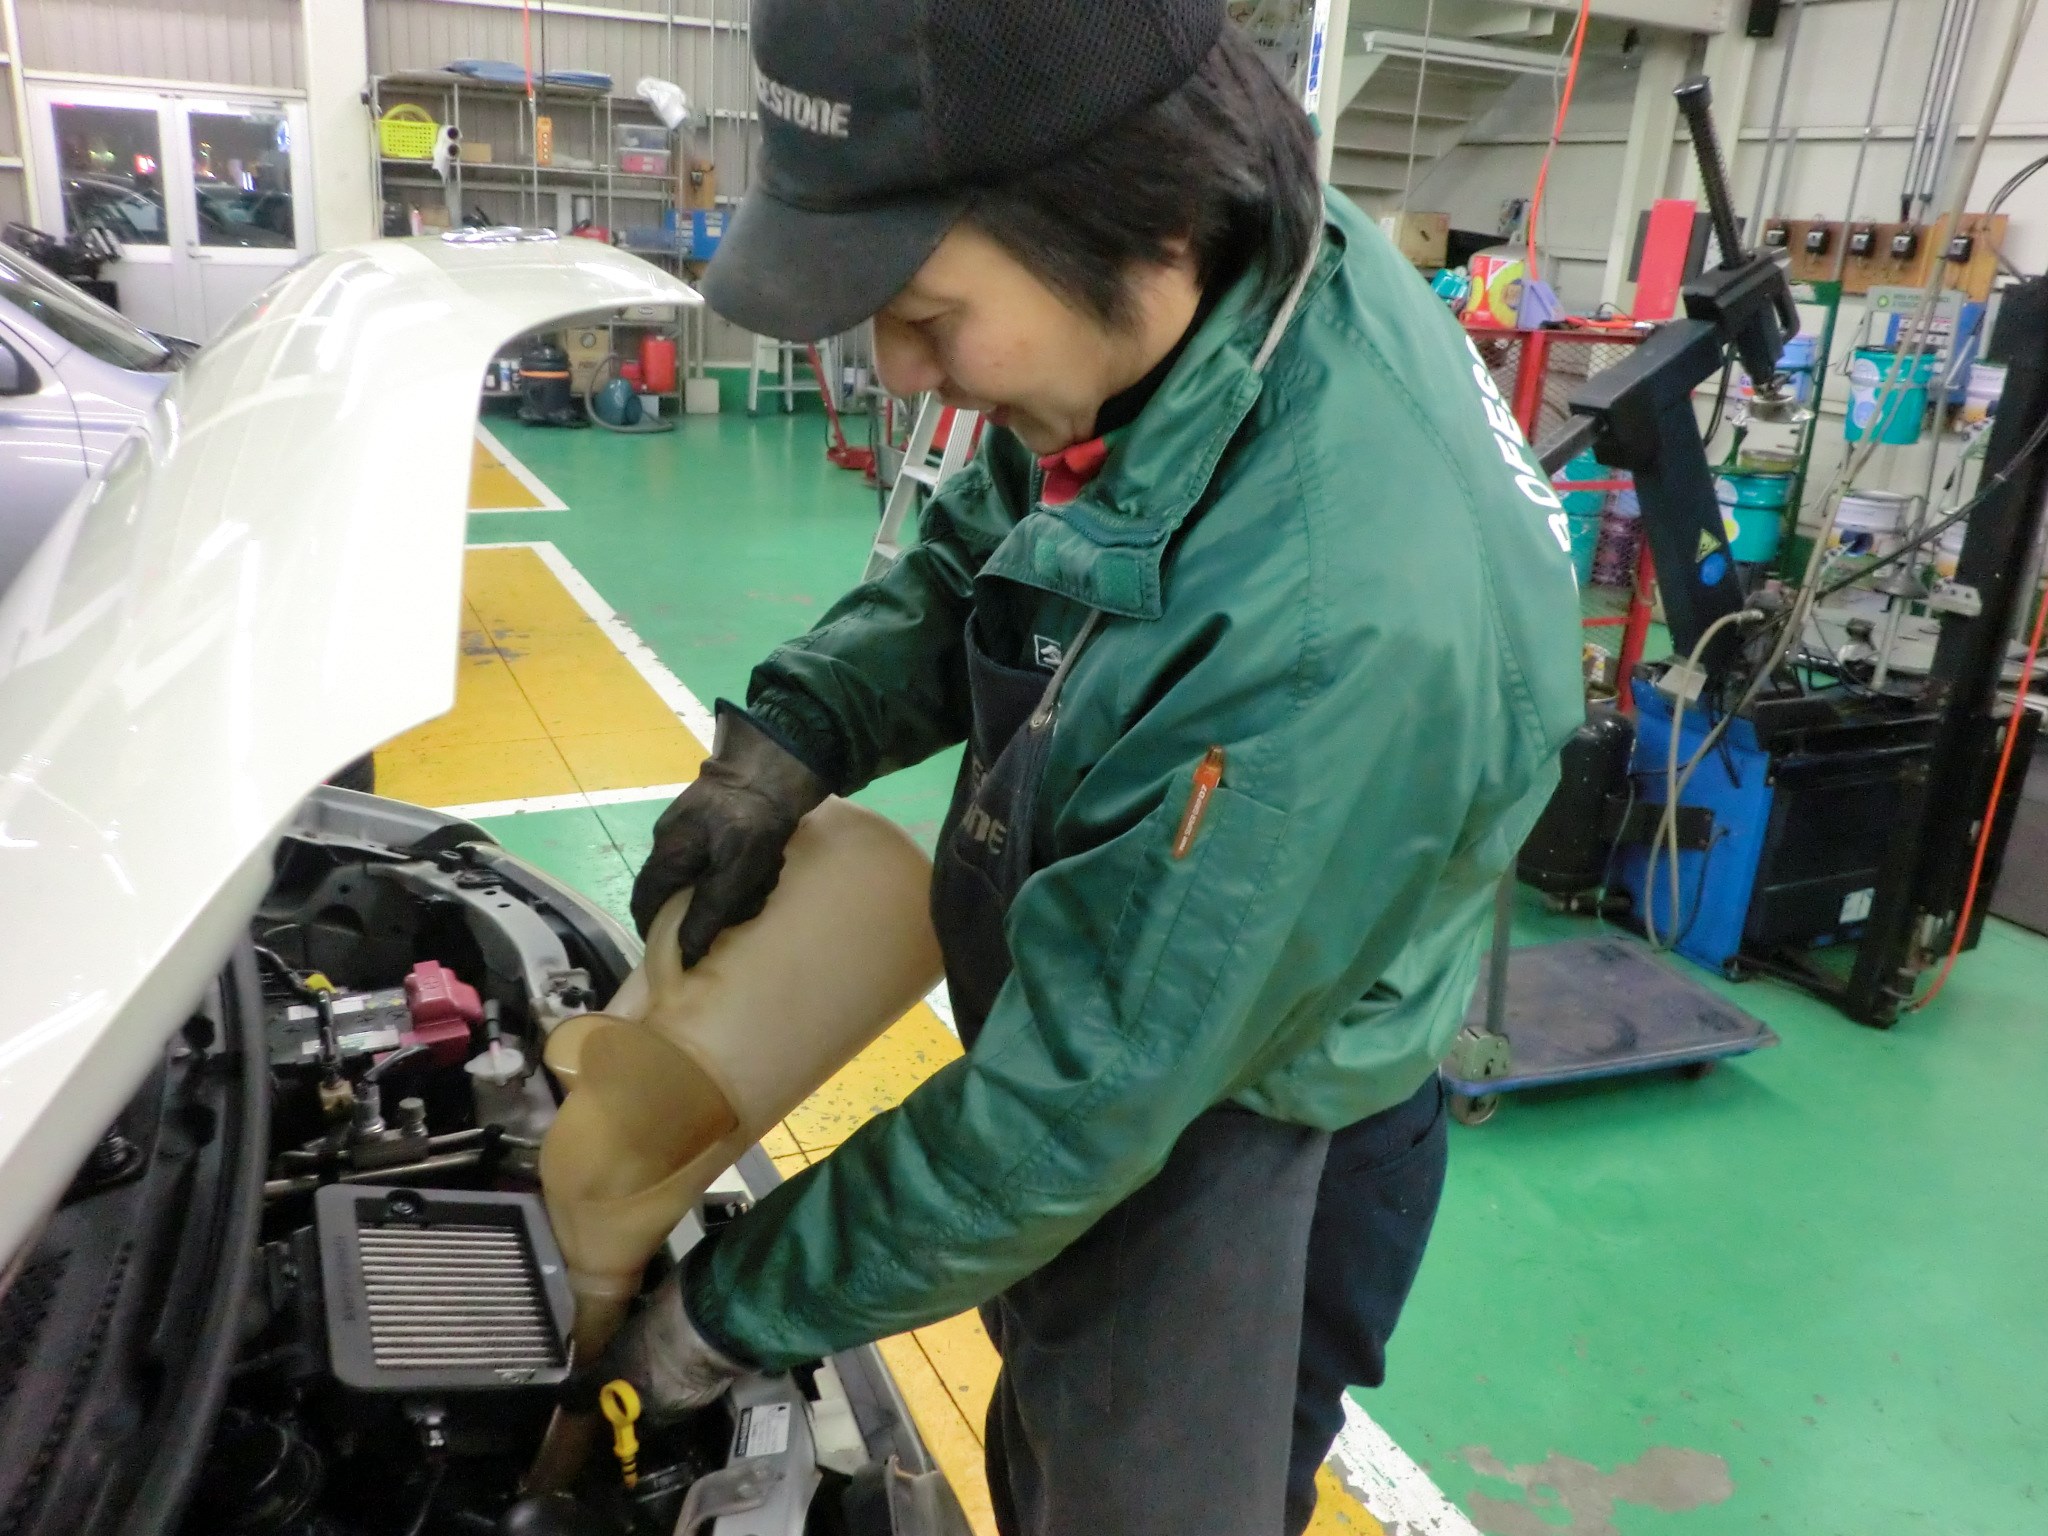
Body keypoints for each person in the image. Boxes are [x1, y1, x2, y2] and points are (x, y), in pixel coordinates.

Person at [589, 1, 1583, 1531]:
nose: (900, 369)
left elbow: (1062, 1118)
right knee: (1047, 1423)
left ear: (1141, 218)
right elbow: (1002, 540)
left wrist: (719, 1315)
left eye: (927, 311)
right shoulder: (1214, 298)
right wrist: (793, 741)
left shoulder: (1318, 636)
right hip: (1168, 1036)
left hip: (1240, 1137)